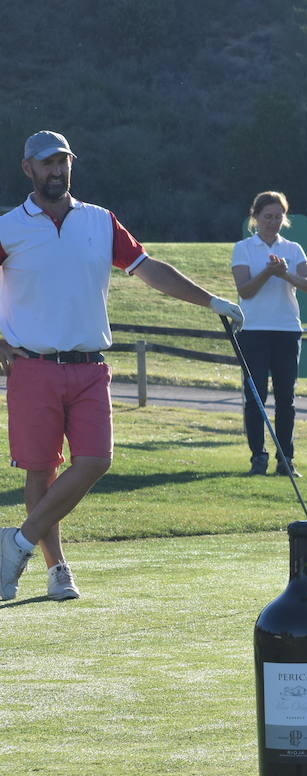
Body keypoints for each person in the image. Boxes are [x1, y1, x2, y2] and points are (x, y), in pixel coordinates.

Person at [0, 130, 243, 601]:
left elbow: (149, 268)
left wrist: (210, 301)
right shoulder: (9, 227)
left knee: (96, 460)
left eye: (63, 162)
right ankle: (56, 571)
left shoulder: (99, 221)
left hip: (90, 365)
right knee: (40, 470)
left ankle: (15, 543)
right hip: (32, 367)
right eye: (47, 163)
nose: (57, 170)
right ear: (27, 168)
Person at [231, 191, 307, 476]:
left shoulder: (293, 249)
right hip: (253, 330)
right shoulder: (243, 248)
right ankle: (258, 457)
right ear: (255, 217)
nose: (273, 222)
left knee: (285, 399)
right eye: (268, 216)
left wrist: (285, 275)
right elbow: (246, 291)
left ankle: (286, 459)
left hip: (286, 330)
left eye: (279, 217)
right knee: (255, 397)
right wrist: (268, 273)